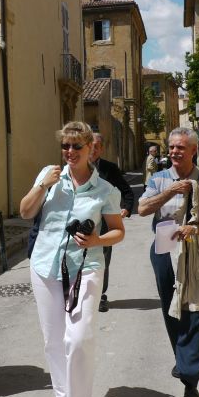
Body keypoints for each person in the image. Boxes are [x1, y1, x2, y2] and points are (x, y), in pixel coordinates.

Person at [19, 121, 125, 397]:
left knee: (79, 338)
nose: (70, 151)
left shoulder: (105, 190)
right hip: (45, 266)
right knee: (53, 339)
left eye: (77, 146)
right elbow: (25, 212)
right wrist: (42, 186)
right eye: (65, 146)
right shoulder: (49, 176)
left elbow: (118, 231)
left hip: (85, 267)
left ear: (90, 148)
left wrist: (97, 240)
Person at [137, 127, 199, 397]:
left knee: (194, 312)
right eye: (172, 147)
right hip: (164, 251)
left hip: (196, 253)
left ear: (193, 151)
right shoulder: (159, 179)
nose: (175, 151)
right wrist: (169, 191)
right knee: (171, 309)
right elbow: (142, 209)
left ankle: (190, 379)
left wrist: (195, 228)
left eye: (181, 147)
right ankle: (182, 358)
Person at [90, 133, 134, 312]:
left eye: (96, 146)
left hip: (104, 224)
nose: (92, 149)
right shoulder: (76, 167)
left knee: (103, 260)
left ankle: (100, 295)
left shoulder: (110, 168)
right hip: (83, 223)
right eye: (89, 145)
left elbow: (126, 190)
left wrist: (127, 208)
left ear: (101, 149)